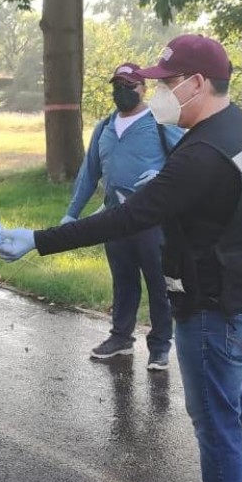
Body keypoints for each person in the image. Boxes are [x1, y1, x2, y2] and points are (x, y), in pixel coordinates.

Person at [0, 35, 242, 482]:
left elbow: (129, 218)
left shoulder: (202, 151)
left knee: (217, 422)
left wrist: (38, 239)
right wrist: (167, 185)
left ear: (197, 84)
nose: (158, 90)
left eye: (166, 81)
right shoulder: (239, 128)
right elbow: (215, 200)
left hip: (214, 307)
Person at [62, 62, 182, 369]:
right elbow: (89, 174)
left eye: (129, 86)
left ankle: (159, 346)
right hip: (115, 218)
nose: (122, 92)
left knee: (158, 283)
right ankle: (121, 338)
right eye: (117, 86)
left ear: (143, 89)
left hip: (151, 219)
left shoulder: (158, 122)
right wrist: (71, 215)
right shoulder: (104, 127)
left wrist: (161, 175)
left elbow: (186, 161)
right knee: (124, 280)